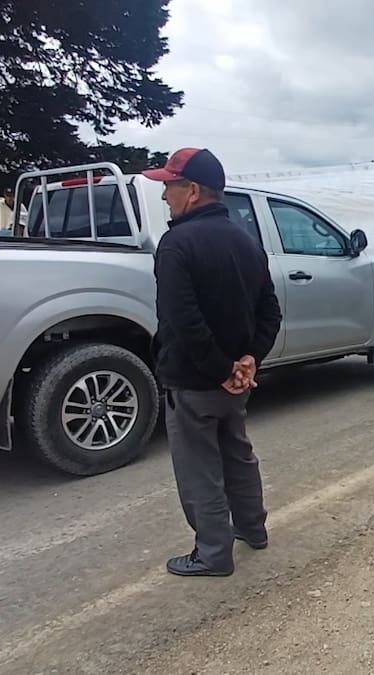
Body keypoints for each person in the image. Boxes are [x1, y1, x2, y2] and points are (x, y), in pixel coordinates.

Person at [145, 147, 283, 577]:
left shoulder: (176, 245)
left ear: (193, 191)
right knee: (237, 453)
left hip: (195, 380)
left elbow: (183, 324)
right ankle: (252, 529)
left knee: (199, 466)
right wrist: (247, 361)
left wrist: (224, 369)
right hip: (232, 381)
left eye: (169, 185)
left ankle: (213, 553)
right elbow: (270, 311)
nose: (164, 194)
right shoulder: (246, 242)